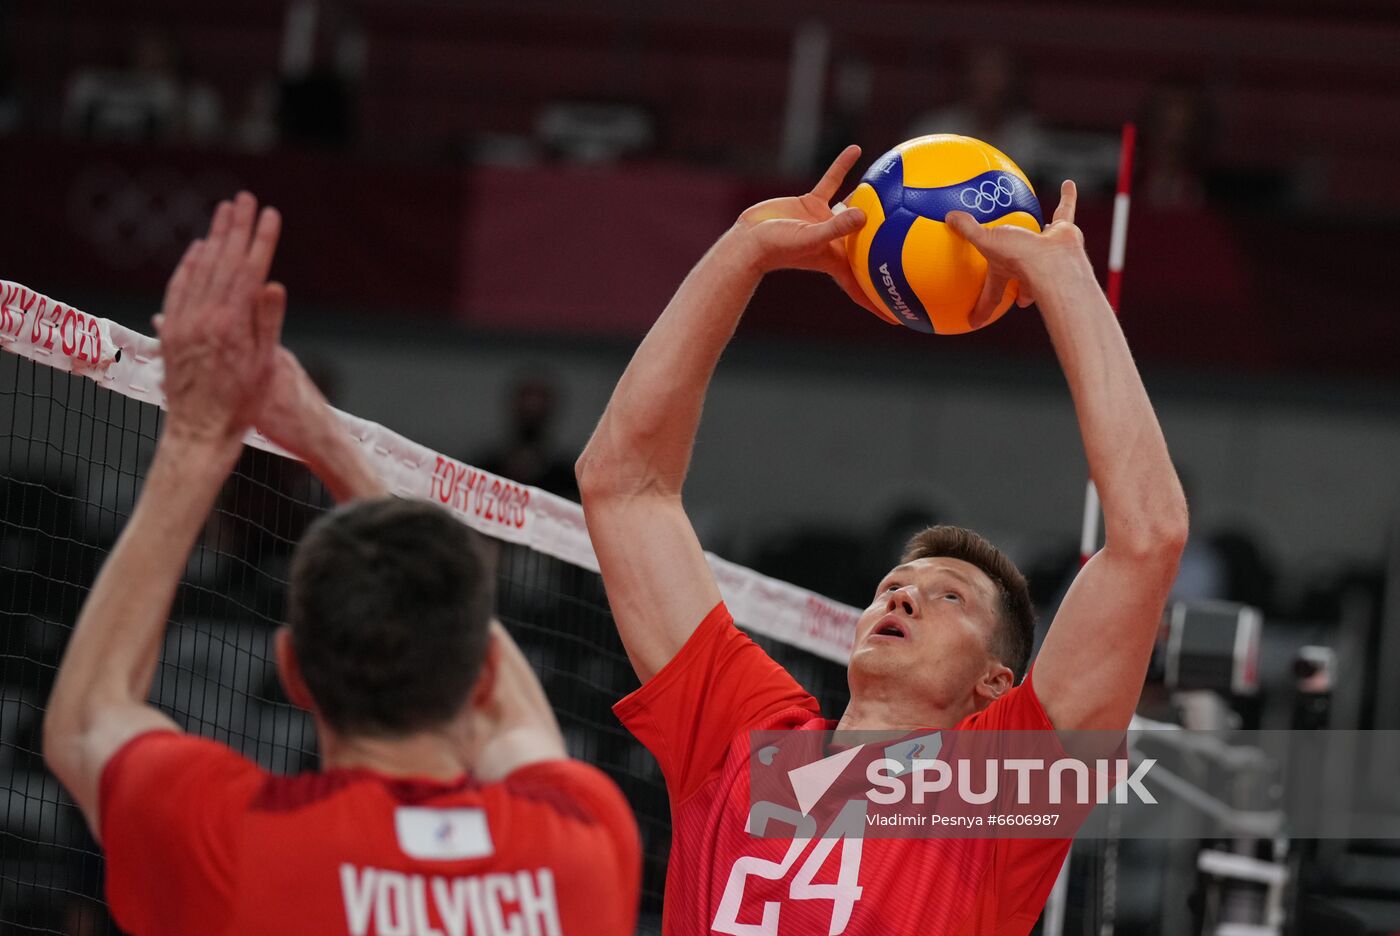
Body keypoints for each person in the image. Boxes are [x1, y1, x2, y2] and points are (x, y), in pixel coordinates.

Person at [576, 145, 1188, 934]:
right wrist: (744, 252)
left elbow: (1148, 538)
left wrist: (1066, 282)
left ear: (994, 685)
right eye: (895, 586)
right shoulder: (744, 740)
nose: (903, 594)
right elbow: (621, 487)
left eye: (949, 598)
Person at [42, 194, 640, 935]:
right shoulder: (584, 840)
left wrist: (200, 439)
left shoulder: (236, 846)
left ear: (292, 670)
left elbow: (85, 723)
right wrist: (330, 446)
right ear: (479, 671)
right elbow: (523, 726)